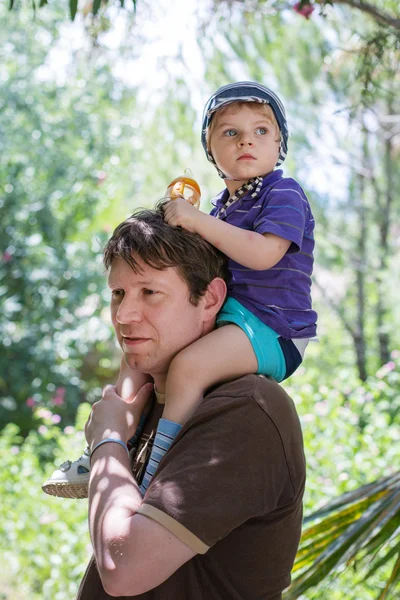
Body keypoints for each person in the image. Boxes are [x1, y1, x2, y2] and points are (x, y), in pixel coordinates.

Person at [76, 207, 306, 599]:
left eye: (150, 292)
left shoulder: (246, 410)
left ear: (210, 298)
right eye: (118, 293)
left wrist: (108, 439)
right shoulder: (149, 401)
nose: (124, 315)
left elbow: (123, 569)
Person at [138, 81, 317, 492]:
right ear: (210, 148)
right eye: (230, 133)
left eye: (261, 131)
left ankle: (157, 479)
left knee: (188, 367)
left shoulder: (283, 192)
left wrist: (198, 221)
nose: (246, 141)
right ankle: (118, 442)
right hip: (233, 319)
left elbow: (262, 254)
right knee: (146, 351)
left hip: (274, 328)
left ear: (279, 145)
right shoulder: (222, 206)